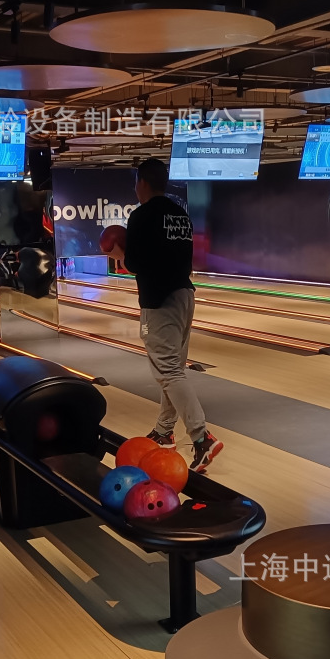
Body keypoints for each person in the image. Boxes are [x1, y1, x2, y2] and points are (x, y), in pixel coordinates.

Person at [119, 158, 223, 473]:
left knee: (168, 372)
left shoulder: (141, 216)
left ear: (142, 183)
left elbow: (134, 263)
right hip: (184, 295)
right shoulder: (180, 214)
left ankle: (201, 437)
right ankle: (164, 431)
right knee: (173, 369)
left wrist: (118, 253)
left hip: (159, 301)